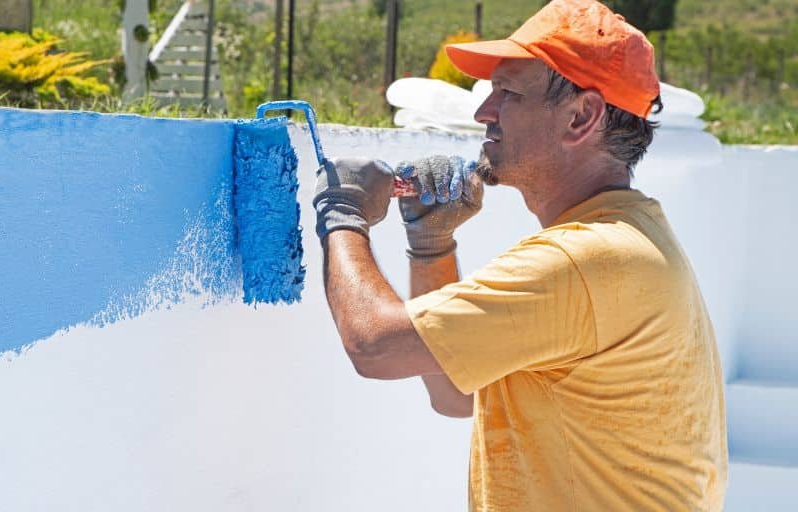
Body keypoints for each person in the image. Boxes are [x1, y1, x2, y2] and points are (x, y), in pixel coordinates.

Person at [311, 0, 728, 510]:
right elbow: (456, 395)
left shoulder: (584, 260)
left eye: (508, 92)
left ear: (582, 116)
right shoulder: (631, 237)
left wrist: (343, 211)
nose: (483, 111)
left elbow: (374, 345)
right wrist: (431, 246)